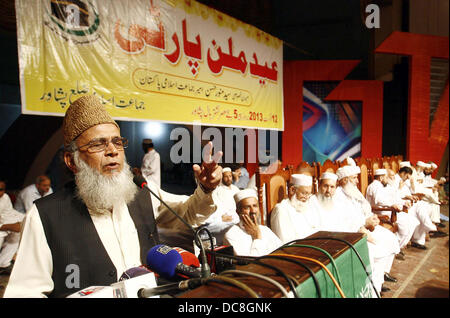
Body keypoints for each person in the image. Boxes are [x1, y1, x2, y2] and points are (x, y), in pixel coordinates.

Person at [4, 95, 222, 298]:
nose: (112, 151)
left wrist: (205, 189)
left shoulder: (141, 193)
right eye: (98, 144)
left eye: (117, 142)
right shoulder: (45, 215)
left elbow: (188, 213)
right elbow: (24, 293)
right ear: (72, 161)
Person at [334, 166, 401, 294]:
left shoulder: (353, 191)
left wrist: (372, 218)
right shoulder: (338, 197)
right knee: (377, 248)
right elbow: (344, 222)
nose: (357, 181)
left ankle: (379, 280)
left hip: (366, 227)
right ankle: (371, 288)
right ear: (344, 180)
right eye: (354, 178)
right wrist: (364, 223)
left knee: (390, 238)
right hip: (353, 233)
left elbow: (365, 209)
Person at [223, 189, 282, 256]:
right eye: (247, 207)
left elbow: (282, 251)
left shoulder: (265, 229)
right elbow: (251, 263)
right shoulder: (231, 235)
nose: (253, 211)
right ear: (238, 211)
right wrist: (257, 236)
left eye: (255, 206)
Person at [270, 174, 319, 243]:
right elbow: (285, 242)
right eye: (304, 193)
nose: (307, 198)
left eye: (309, 194)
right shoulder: (281, 210)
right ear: (292, 190)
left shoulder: (306, 206)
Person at [203, 167, 240, 245]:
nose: (228, 178)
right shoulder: (218, 190)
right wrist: (221, 217)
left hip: (237, 214)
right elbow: (218, 205)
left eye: (230, 176)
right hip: (226, 216)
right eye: (226, 176)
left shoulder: (235, 189)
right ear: (222, 178)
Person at [0, 180, 24, 274]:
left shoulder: (5, 197)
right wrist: (6, 226)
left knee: (22, 229)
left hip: (6, 223)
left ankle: (3, 263)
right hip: (2, 227)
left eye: (1, 190)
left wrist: (23, 219)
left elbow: (10, 213)